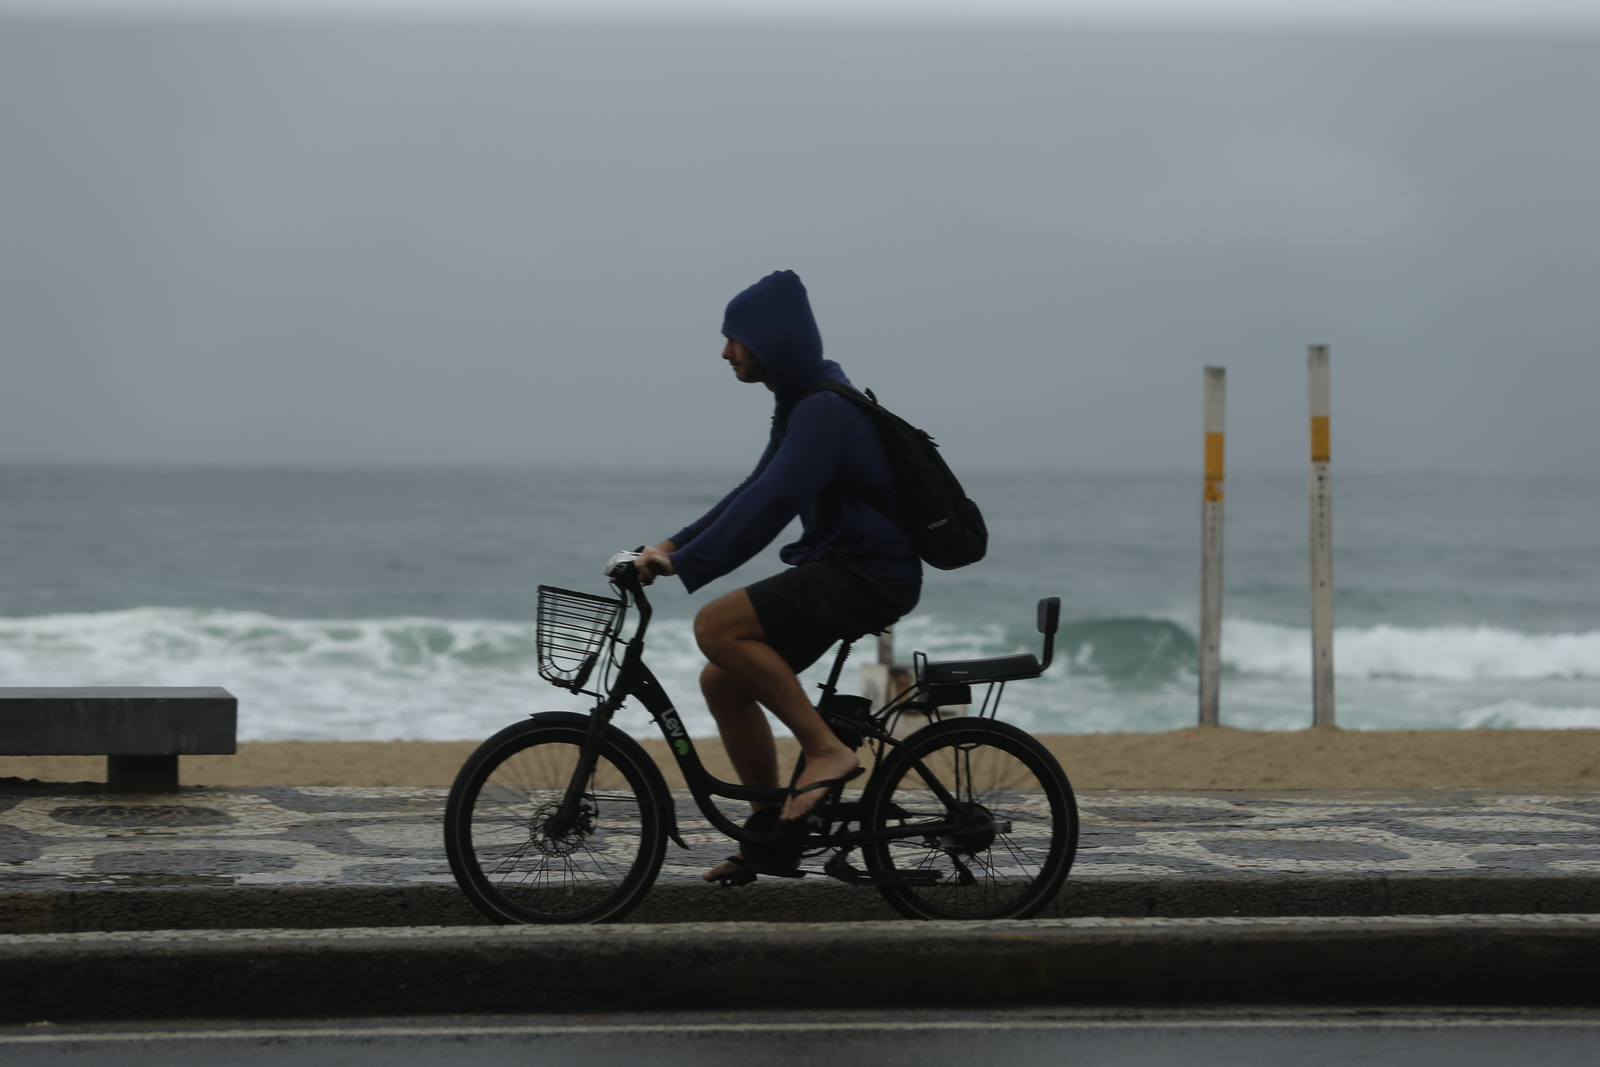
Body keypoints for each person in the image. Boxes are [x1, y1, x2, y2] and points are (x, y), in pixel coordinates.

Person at [629, 270, 921, 885]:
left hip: (866, 574)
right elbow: (751, 489)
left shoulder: (823, 410)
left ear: (772, 340)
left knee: (716, 626)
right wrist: (672, 545)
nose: (725, 351)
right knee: (724, 681)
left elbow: (772, 504)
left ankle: (826, 751)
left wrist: (686, 566)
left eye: (734, 338)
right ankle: (770, 838)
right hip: (845, 568)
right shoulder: (800, 404)